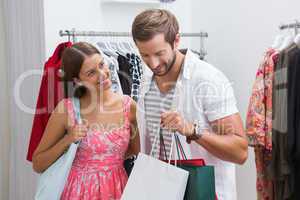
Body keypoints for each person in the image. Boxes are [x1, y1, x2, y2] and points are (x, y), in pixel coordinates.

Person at [132, 9, 248, 200]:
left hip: (202, 192)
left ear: (176, 40)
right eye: (144, 55)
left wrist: (193, 131)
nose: (153, 63)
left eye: (159, 53)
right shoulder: (146, 80)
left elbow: (240, 151)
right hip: (160, 190)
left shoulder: (208, 80)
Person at [32, 42, 140, 199]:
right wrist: (68, 140)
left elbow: (135, 150)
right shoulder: (66, 110)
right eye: (91, 73)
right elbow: (38, 163)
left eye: (102, 64)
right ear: (77, 81)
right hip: (78, 193)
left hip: (118, 189)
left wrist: (105, 164)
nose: (102, 74)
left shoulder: (129, 106)